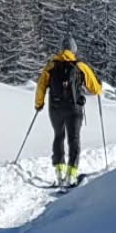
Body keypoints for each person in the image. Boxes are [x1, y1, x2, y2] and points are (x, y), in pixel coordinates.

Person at [34, 36, 104, 186]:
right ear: (74, 49)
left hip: (55, 108)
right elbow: (95, 88)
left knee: (58, 136)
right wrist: (99, 86)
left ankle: (59, 173)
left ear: (61, 49)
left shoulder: (51, 66)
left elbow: (41, 86)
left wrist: (39, 104)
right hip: (74, 110)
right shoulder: (80, 66)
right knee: (74, 139)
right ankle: (71, 175)